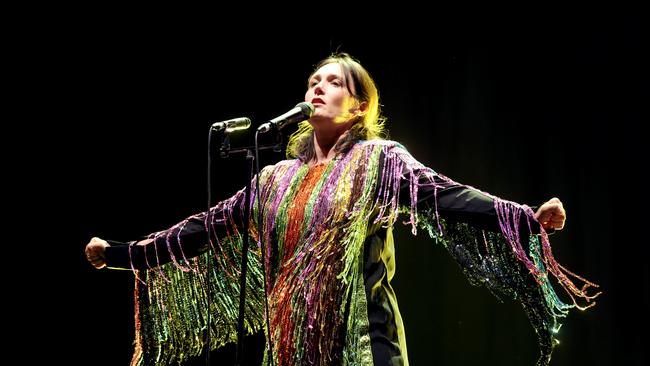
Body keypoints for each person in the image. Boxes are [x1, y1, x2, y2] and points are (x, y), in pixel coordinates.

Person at [85, 53, 599, 366]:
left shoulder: (380, 161)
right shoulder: (273, 179)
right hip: (290, 350)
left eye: (333, 82)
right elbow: (204, 229)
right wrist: (122, 253)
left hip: (364, 345)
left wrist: (525, 216)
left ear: (359, 107)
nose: (317, 87)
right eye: (314, 81)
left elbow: (447, 195)